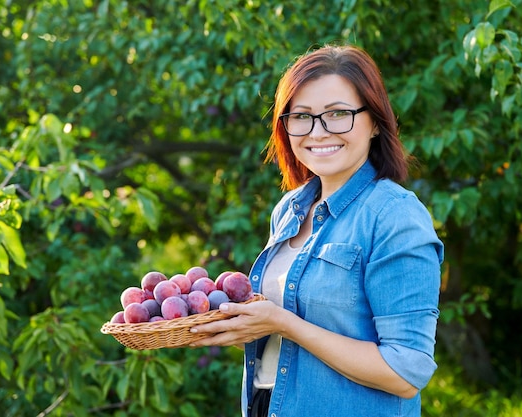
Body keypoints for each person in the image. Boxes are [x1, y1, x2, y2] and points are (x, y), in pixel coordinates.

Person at [189, 44, 444, 417]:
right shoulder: (289, 210)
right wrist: (234, 325)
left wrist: (286, 324)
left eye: (338, 114)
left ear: (374, 122)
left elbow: (405, 371)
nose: (318, 132)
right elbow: (283, 339)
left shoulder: (394, 217)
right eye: (302, 117)